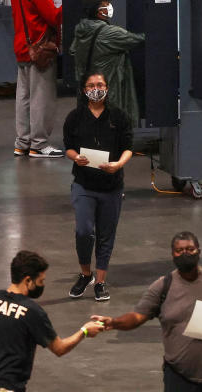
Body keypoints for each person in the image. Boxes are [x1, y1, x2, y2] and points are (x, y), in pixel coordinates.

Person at [90, 232, 202, 392]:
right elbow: (137, 316)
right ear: (172, 255)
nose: (185, 254)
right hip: (179, 377)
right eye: (179, 250)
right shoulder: (163, 286)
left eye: (190, 249)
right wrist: (114, 322)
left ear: (199, 251)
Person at [0, 250, 106, 392]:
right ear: (28, 280)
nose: (42, 285)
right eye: (41, 281)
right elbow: (59, 348)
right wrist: (85, 331)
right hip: (4, 387)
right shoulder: (32, 311)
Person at [63, 71, 133, 301]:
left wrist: (119, 164)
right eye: (91, 85)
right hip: (84, 184)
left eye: (100, 84)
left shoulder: (119, 117)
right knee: (83, 231)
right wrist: (76, 158)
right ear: (84, 90)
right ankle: (85, 274)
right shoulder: (75, 117)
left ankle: (100, 281)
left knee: (106, 234)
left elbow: (128, 147)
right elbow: (69, 147)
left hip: (112, 186)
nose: (96, 88)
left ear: (107, 88)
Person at [11, 0, 63, 158]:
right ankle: (39, 145)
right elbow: (53, 17)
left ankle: (22, 143)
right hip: (40, 51)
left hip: (22, 48)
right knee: (41, 97)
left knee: (23, 97)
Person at [70, 0, 145, 128]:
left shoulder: (82, 29)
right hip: (109, 88)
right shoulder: (109, 33)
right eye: (107, 4)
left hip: (89, 87)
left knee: (93, 121)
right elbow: (138, 40)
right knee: (110, 124)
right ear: (99, 11)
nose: (110, 6)